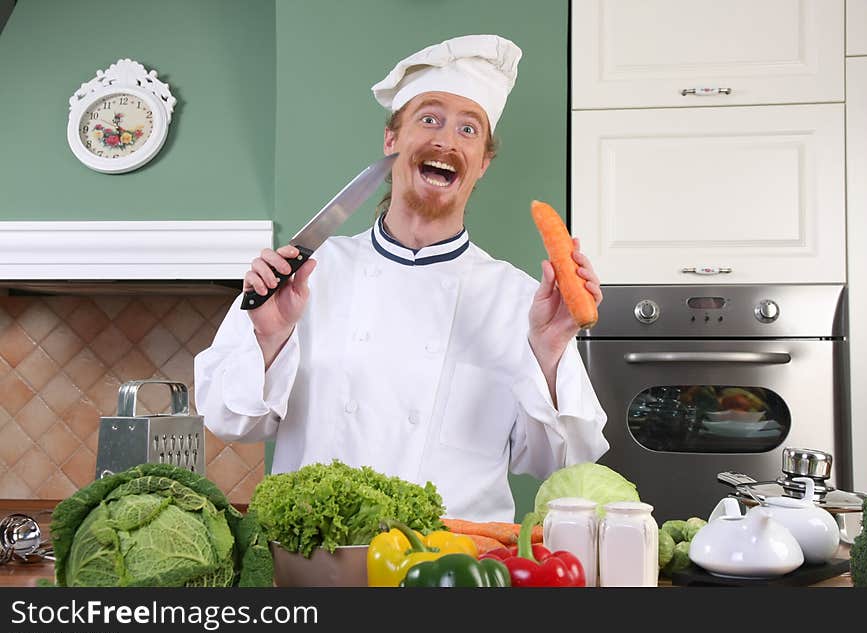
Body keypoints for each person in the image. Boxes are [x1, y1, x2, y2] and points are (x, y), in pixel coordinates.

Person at [194, 34, 608, 522]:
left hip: (452, 568)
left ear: (483, 164)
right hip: (322, 563)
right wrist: (268, 338)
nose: (446, 140)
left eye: (469, 129)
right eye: (429, 119)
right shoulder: (302, 278)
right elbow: (230, 420)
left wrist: (550, 349)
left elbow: (561, 461)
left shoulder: (519, 300)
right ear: (392, 141)